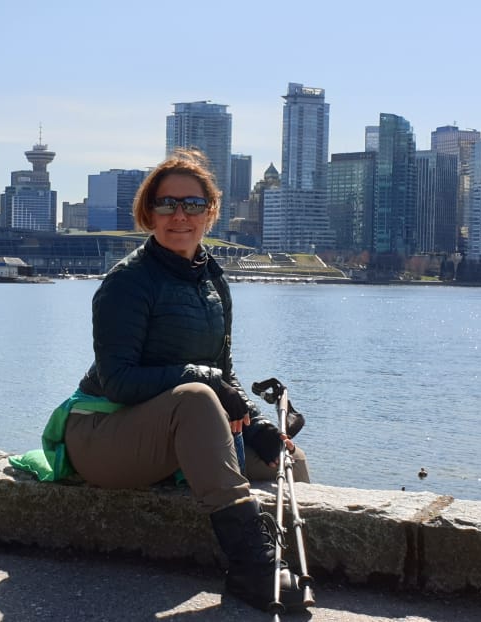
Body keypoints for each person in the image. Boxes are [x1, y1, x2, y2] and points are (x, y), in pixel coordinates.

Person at [62, 148, 310, 612]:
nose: (180, 215)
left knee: (289, 461)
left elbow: (225, 373)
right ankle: (253, 567)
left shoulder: (213, 281)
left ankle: (293, 559)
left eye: (193, 204)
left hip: (174, 431)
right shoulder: (127, 282)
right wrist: (203, 380)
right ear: (148, 212)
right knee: (197, 396)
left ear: (211, 212)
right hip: (102, 434)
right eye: (166, 204)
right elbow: (118, 381)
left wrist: (256, 423)